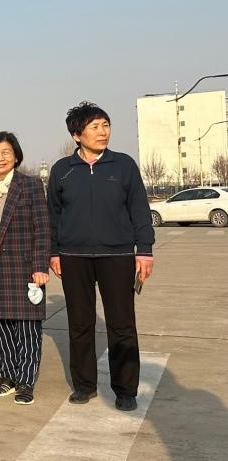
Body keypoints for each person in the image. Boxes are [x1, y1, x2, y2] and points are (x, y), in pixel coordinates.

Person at [48, 102, 154, 411]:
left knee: (122, 324)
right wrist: (53, 252)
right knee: (80, 324)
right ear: (76, 134)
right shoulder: (62, 170)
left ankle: (125, 389)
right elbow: (53, 215)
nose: (103, 132)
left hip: (117, 255)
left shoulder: (123, 165)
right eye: (94, 127)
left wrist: (144, 250)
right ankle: (84, 385)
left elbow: (139, 210)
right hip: (73, 256)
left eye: (105, 125)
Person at [0, 133, 50, 404]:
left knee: (26, 330)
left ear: (16, 156)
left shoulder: (30, 185)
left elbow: (42, 229)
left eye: (5, 153)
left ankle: (25, 382)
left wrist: (40, 266)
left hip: (22, 270)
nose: (0, 158)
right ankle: (8, 377)